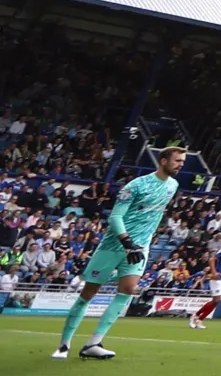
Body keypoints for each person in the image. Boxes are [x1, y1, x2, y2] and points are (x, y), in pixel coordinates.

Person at [56, 144, 186, 361]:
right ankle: (64, 344)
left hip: (140, 247)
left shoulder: (173, 185)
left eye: (182, 162)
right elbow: (115, 217)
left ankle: (93, 343)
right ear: (163, 161)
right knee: (88, 294)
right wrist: (127, 242)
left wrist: (141, 243)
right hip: (114, 245)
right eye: (177, 161)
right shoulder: (136, 185)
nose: (180, 165)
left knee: (126, 291)